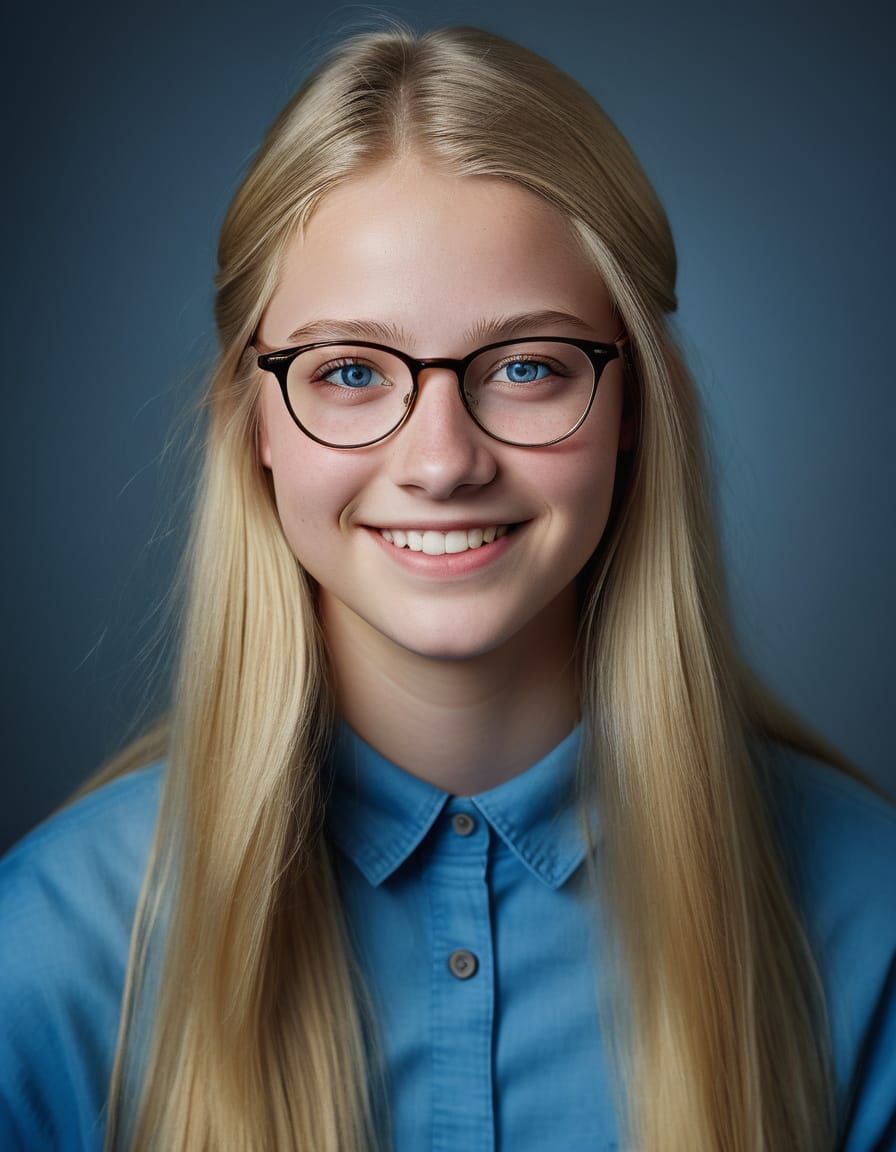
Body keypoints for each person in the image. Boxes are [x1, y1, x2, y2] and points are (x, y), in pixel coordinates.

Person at [1, 19, 894, 1152]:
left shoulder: (868, 923)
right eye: (348, 370)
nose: (441, 462)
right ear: (252, 420)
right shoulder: (46, 957)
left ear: (632, 405)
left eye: (525, 366)